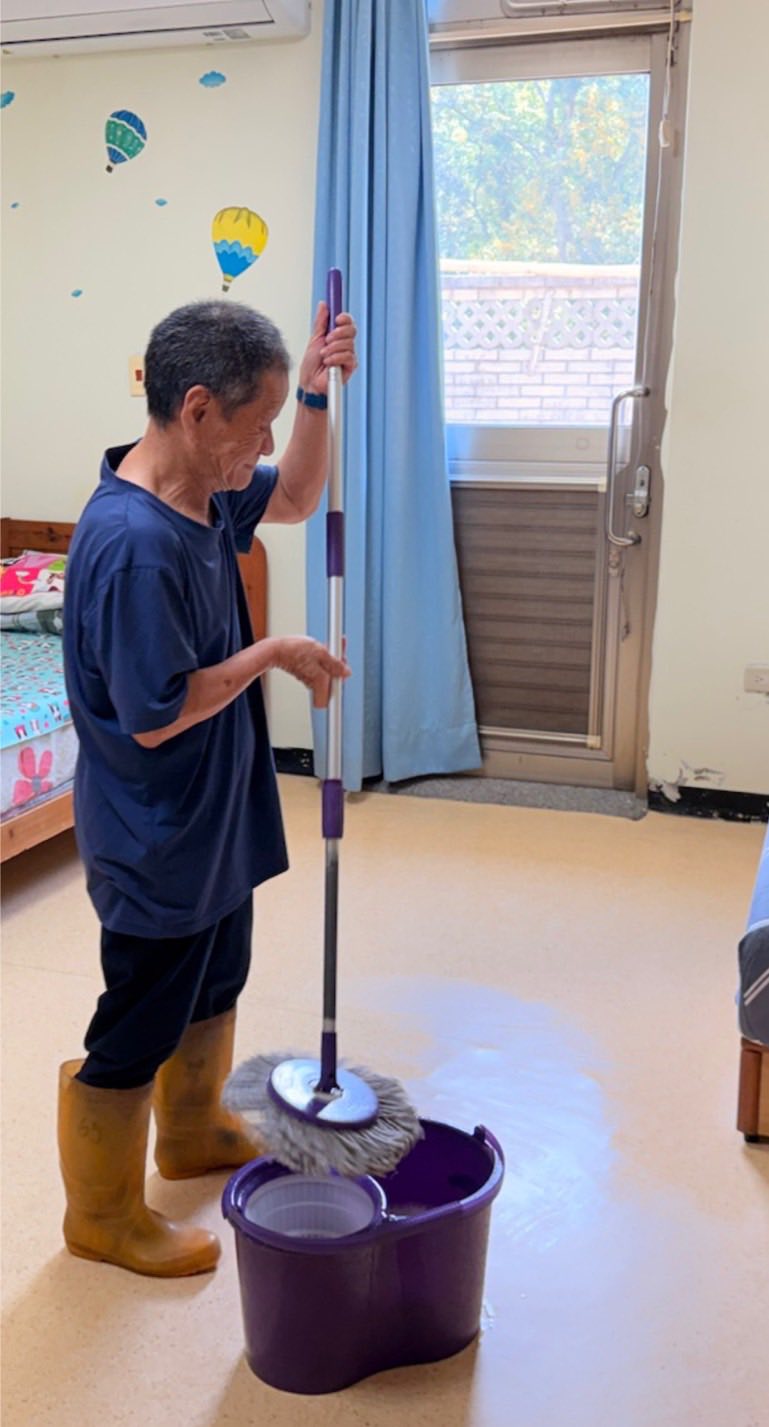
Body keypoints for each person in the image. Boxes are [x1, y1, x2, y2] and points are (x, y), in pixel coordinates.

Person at [59, 297, 356, 1277]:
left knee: (216, 977)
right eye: (255, 423)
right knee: (138, 1021)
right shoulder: (136, 542)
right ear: (195, 409)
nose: (264, 446)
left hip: (213, 814)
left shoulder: (203, 489)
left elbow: (299, 494)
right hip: (156, 834)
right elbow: (154, 715)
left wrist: (311, 391)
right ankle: (101, 1213)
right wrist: (272, 651)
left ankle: (189, 1133)